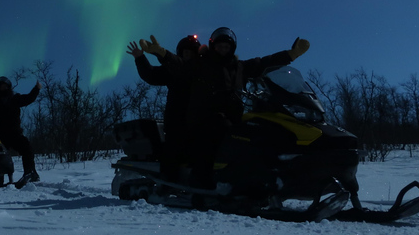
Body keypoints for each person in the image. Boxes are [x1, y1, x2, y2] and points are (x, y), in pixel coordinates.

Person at [140, 27, 310, 189]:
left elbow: (263, 63)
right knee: (218, 127)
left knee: (256, 130)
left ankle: (259, 178)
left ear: (232, 48)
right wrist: (162, 53)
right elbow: (181, 65)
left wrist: (291, 55)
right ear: (214, 46)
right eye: (220, 46)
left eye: (226, 46)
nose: (223, 49)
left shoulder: (239, 66)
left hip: (232, 117)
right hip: (204, 118)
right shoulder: (202, 64)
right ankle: (201, 179)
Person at [126, 34, 204, 181]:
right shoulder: (173, 70)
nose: (187, 54)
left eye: (191, 52)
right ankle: (167, 183)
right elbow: (151, 75)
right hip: (176, 121)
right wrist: (140, 58)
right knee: (173, 152)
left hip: (199, 121)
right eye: (184, 52)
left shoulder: (201, 70)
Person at [0, 76, 42, 188]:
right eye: (1, 86)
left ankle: (30, 173)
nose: (3, 88)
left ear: (9, 86)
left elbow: (29, 98)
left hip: (14, 132)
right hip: (0, 134)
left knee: (26, 147)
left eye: (5, 86)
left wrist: (36, 89)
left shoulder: (15, 98)